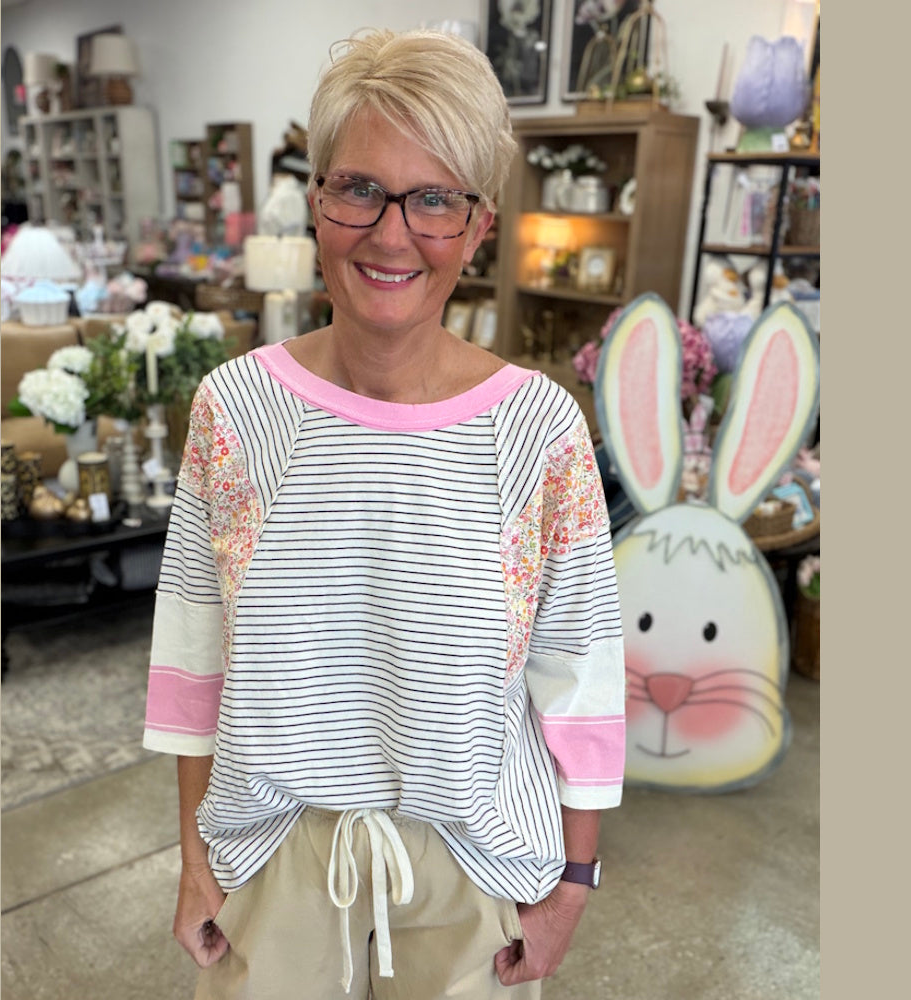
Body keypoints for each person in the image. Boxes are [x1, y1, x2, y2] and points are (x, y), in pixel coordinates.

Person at [143, 26, 625, 1000]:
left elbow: (578, 672)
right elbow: (195, 653)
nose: (391, 233)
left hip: (474, 870)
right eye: (359, 187)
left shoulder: (537, 433)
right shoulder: (235, 412)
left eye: (434, 198)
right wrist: (193, 852)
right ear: (317, 200)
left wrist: (575, 881)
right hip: (268, 861)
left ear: (478, 225)